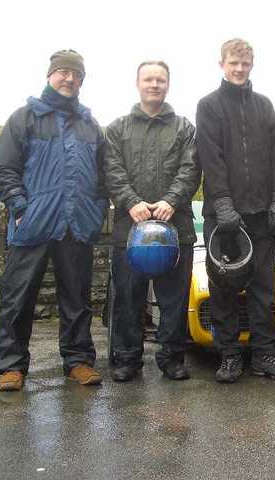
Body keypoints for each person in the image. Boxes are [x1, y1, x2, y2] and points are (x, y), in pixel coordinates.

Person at [0, 50, 108, 391]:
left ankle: (78, 361)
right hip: (34, 223)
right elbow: (2, 168)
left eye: (76, 75)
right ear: (50, 76)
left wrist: (96, 209)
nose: (69, 79)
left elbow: (103, 176)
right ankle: (12, 367)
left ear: (82, 81)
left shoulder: (90, 125)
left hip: (77, 224)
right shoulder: (25, 117)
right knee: (18, 297)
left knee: (77, 298)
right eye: (63, 72)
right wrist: (20, 206)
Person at [196, 38, 275, 383]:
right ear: (221, 64)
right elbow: (211, 158)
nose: (239, 69)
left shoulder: (264, 106)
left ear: (251, 65)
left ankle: (265, 353)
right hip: (222, 217)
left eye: (245, 64)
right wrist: (223, 203)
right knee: (223, 286)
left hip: (261, 215)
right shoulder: (208, 106)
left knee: (264, 287)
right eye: (233, 63)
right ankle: (229, 355)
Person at [104, 61, 200, 382]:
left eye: (160, 80)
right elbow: (112, 169)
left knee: (173, 299)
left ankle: (171, 358)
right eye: (149, 79)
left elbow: (191, 169)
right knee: (128, 298)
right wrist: (131, 202)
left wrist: (171, 201)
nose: (154, 84)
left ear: (168, 85)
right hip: (129, 231)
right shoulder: (118, 128)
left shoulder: (185, 128)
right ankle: (128, 358)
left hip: (176, 230)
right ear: (137, 83)